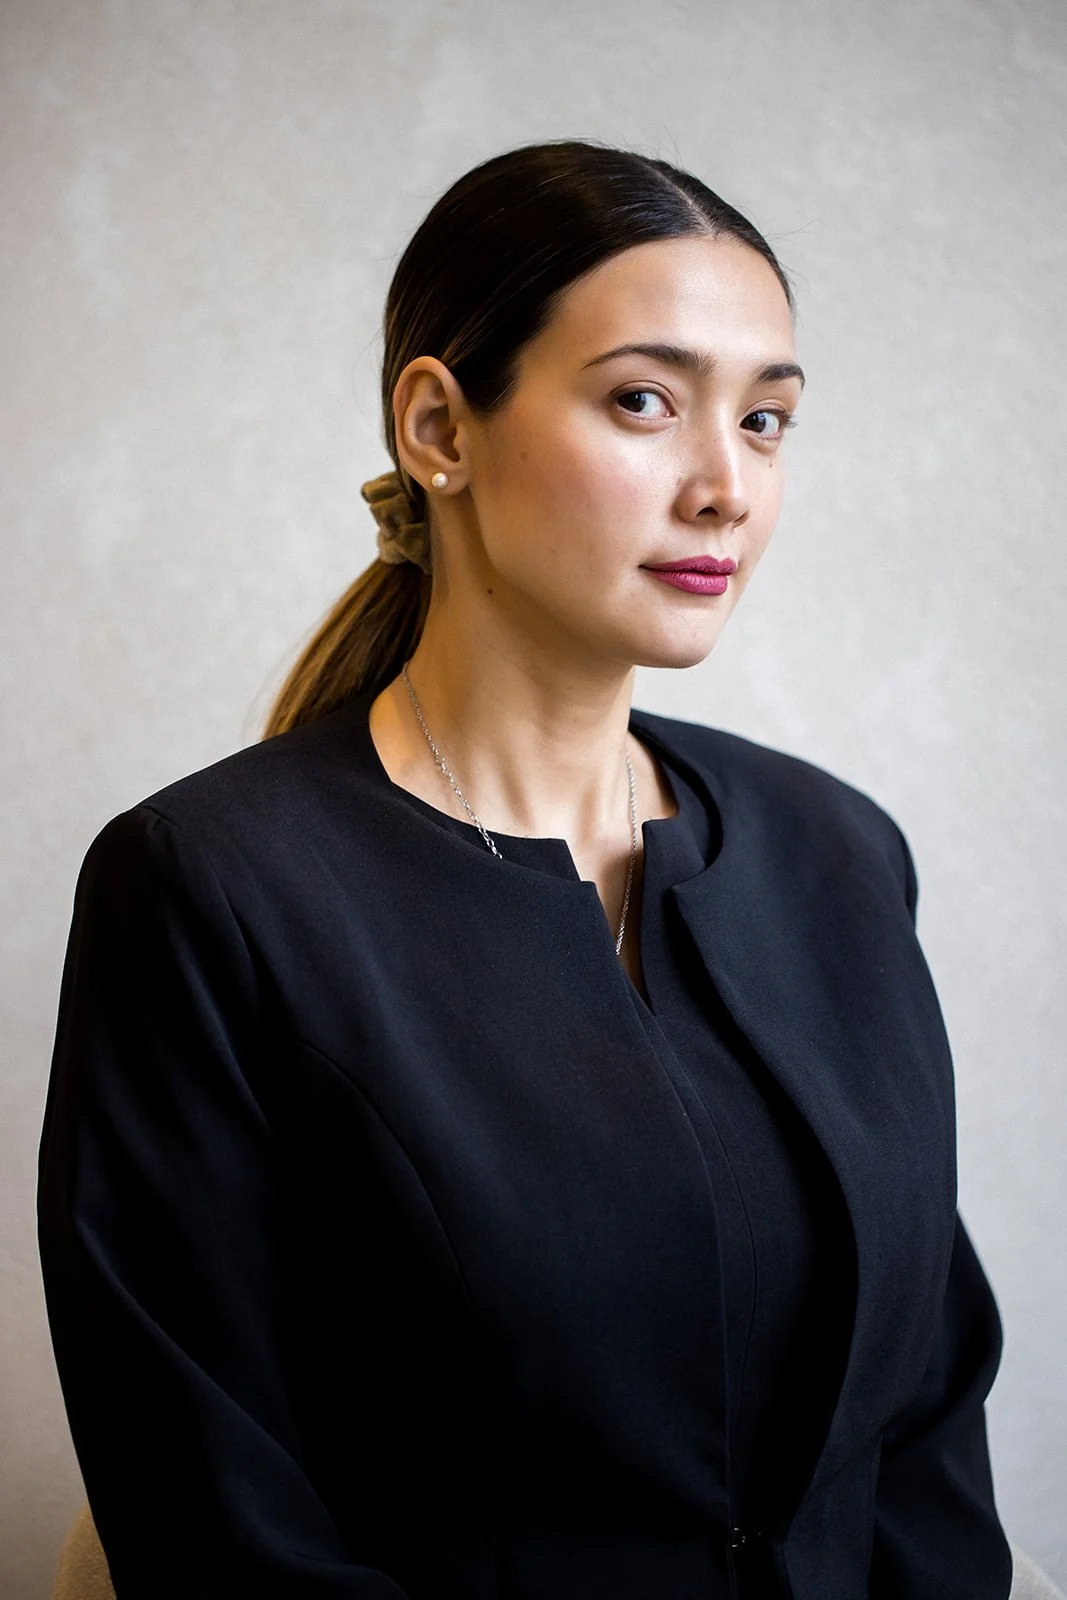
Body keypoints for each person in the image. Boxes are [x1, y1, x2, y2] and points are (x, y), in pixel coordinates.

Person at [37, 139, 1011, 1599]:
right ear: (437, 425)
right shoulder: (208, 889)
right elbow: (214, 1514)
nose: (722, 487)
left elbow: (922, 1416)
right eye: (643, 402)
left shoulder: (836, 854)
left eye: (765, 420)